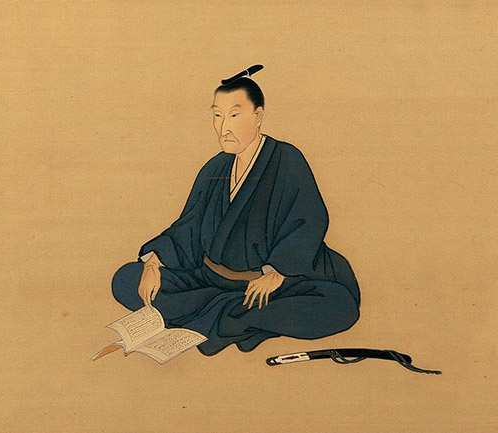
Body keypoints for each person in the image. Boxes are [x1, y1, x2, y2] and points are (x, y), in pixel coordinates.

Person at [111, 65, 360, 356]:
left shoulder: (286, 159)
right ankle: (229, 317)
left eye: (234, 115)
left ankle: (216, 315)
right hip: (210, 280)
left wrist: (277, 272)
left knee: (337, 304)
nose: (223, 128)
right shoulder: (216, 167)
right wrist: (154, 264)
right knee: (126, 279)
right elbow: (189, 226)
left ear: (258, 116)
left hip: (268, 287)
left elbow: (308, 220)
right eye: (217, 115)